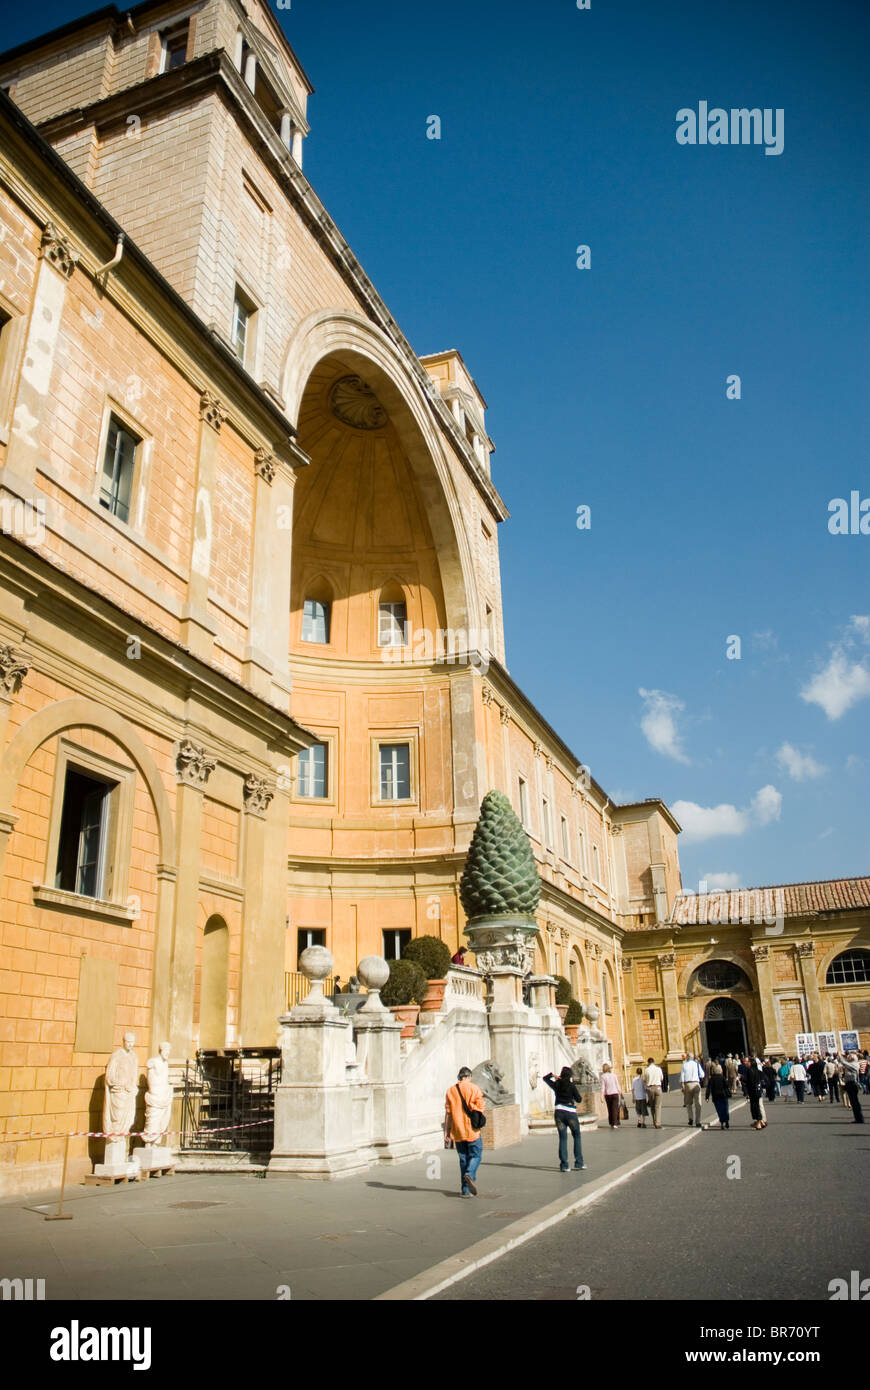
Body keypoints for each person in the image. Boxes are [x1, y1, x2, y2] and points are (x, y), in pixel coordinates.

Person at [444, 1066, 486, 1196]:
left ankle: (465, 1190)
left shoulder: (450, 1091)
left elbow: (448, 1113)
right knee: (476, 1155)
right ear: (469, 1076)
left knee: (463, 1159)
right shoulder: (474, 1088)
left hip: (457, 1131)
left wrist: (446, 1132)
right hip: (472, 1130)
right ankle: (470, 1173)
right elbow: (480, 1107)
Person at [543, 1067, 587, 1170]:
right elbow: (579, 1099)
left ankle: (564, 1165)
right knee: (576, 1136)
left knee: (562, 1138)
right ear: (570, 1076)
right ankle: (579, 1163)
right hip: (570, 1113)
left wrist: (553, 1075)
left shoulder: (557, 1084)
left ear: (561, 1075)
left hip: (559, 1113)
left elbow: (545, 1079)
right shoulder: (571, 1086)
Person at [680, 1052, 705, 1128]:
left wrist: (682, 1086)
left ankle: (690, 1118)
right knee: (698, 1104)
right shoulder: (696, 1064)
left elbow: (682, 1077)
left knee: (688, 1103)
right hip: (696, 1084)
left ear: (687, 1057)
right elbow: (702, 1075)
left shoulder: (684, 1065)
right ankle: (698, 1121)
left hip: (688, 1084)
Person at [840, 1054, 865, 1124]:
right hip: (849, 1083)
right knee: (853, 1102)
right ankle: (857, 1118)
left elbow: (844, 1063)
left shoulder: (854, 1064)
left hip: (852, 1084)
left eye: (849, 1056)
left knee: (855, 1102)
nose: (848, 1057)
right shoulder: (851, 1064)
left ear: (853, 1058)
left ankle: (860, 1118)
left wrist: (840, 1056)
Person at [705, 1062, 730, 1129]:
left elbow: (709, 1088)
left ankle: (722, 1123)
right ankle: (727, 1121)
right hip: (723, 1095)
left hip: (716, 1097)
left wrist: (707, 1097)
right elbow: (727, 1086)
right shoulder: (722, 1077)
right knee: (725, 1109)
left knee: (719, 1110)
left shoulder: (712, 1079)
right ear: (720, 1070)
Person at [600, 1062, 623, 1128]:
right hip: (615, 1093)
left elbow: (603, 1087)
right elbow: (617, 1084)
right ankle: (615, 1123)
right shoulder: (614, 1075)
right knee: (615, 1108)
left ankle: (611, 1122)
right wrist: (620, 1091)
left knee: (609, 1108)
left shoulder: (603, 1076)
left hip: (608, 1094)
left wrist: (601, 1096)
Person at [643, 1057, 664, 1128]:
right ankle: (658, 1122)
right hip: (658, 1087)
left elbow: (645, 1080)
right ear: (654, 1062)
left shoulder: (646, 1070)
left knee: (652, 1106)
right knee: (658, 1106)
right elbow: (662, 1078)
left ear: (648, 1063)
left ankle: (654, 1121)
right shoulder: (659, 1069)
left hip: (650, 1088)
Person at [746, 1058, 767, 1130]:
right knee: (757, 1106)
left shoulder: (750, 1071)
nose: (747, 1063)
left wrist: (743, 1079)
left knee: (755, 1107)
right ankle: (761, 1122)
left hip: (753, 1091)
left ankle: (758, 1123)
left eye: (748, 1062)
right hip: (758, 1090)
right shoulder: (757, 1071)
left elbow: (750, 1082)